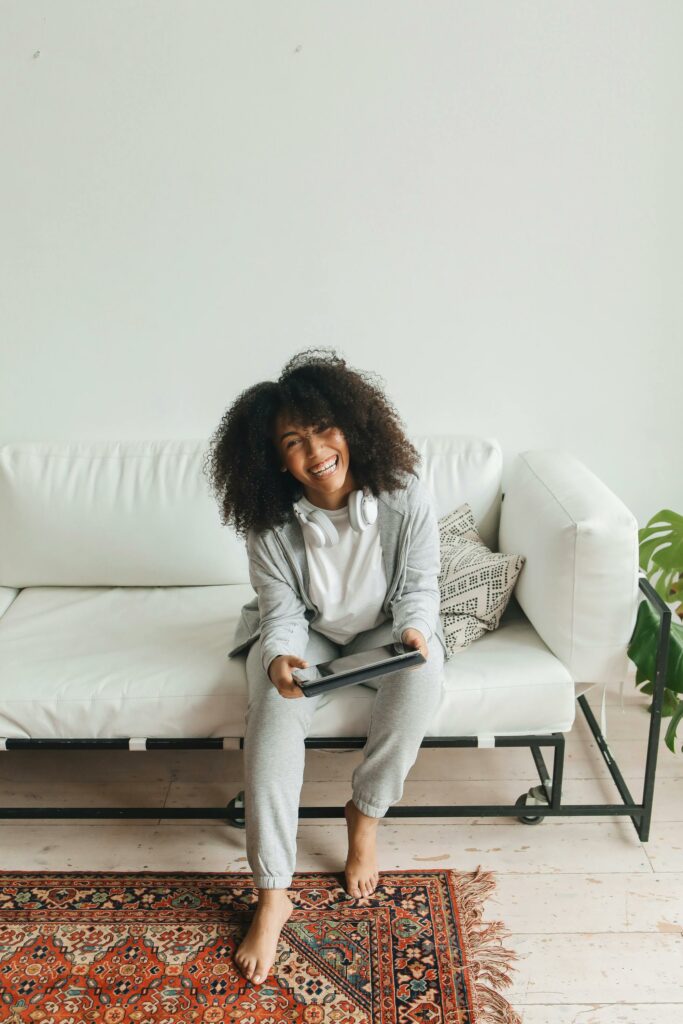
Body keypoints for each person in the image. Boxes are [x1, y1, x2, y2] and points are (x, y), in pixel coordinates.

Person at [204, 347, 447, 986]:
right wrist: (282, 656)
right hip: (307, 635)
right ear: (274, 459)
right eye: (293, 442)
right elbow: (278, 608)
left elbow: (421, 585)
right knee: (273, 718)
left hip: (388, 629)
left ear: (351, 426)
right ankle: (273, 891)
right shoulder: (269, 523)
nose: (315, 453)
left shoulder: (406, 494)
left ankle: (364, 815)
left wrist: (416, 632)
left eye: (323, 430)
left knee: (425, 677)